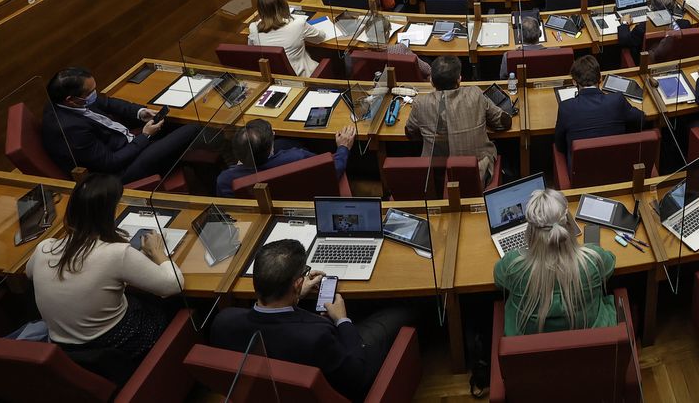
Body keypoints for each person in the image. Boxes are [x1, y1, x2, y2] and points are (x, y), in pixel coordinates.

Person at [210, 239, 415, 403]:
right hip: (348, 377)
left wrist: (296, 295)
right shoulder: (316, 337)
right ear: (298, 283)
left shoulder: (223, 321)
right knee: (401, 310)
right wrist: (343, 320)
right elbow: (356, 377)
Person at [26, 173, 184, 381]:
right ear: (108, 213)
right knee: (176, 304)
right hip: (114, 343)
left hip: (64, 347)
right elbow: (173, 285)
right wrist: (157, 253)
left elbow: (29, 273)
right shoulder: (116, 253)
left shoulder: (44, 248)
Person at [493, 189, 617, 341]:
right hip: (590, 351)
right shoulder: (592, 260)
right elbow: (610, 263)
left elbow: (499, 280)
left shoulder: (513, 264)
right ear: (569, 225)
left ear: (530, 232)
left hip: (530, 356)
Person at [40, 67, 203, 183]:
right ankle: (173, 167)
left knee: (174, 120)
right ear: (71, 99)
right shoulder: (70, 129)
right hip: (121, 171)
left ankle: (172, 160)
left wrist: (140, 112)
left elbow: (109, 103)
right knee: (192, 127)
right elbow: (110, 163)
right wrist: (146, 136)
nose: (94, 95)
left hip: (127, 142)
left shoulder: (69, 101)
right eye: (90, 92)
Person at [406, 55, 511, 184]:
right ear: (459, 80)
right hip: (477, 176)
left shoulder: (420, 103)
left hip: (437, 178)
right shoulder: (475, 94)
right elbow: (502, 122)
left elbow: (410, 132)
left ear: (431, 81)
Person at [216, 118, 354, 196]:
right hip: (310, 200)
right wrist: (343, 147)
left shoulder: (225, 180)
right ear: (271, 146)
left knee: (284, 143)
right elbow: (332, 170)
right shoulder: (297, 157)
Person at [249, 0, 327, 76]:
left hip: (273, 77)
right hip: (302, 77)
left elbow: (252, 51)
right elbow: (320, 37)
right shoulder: (298, 23)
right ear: (284, 5)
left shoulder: (253, 28)